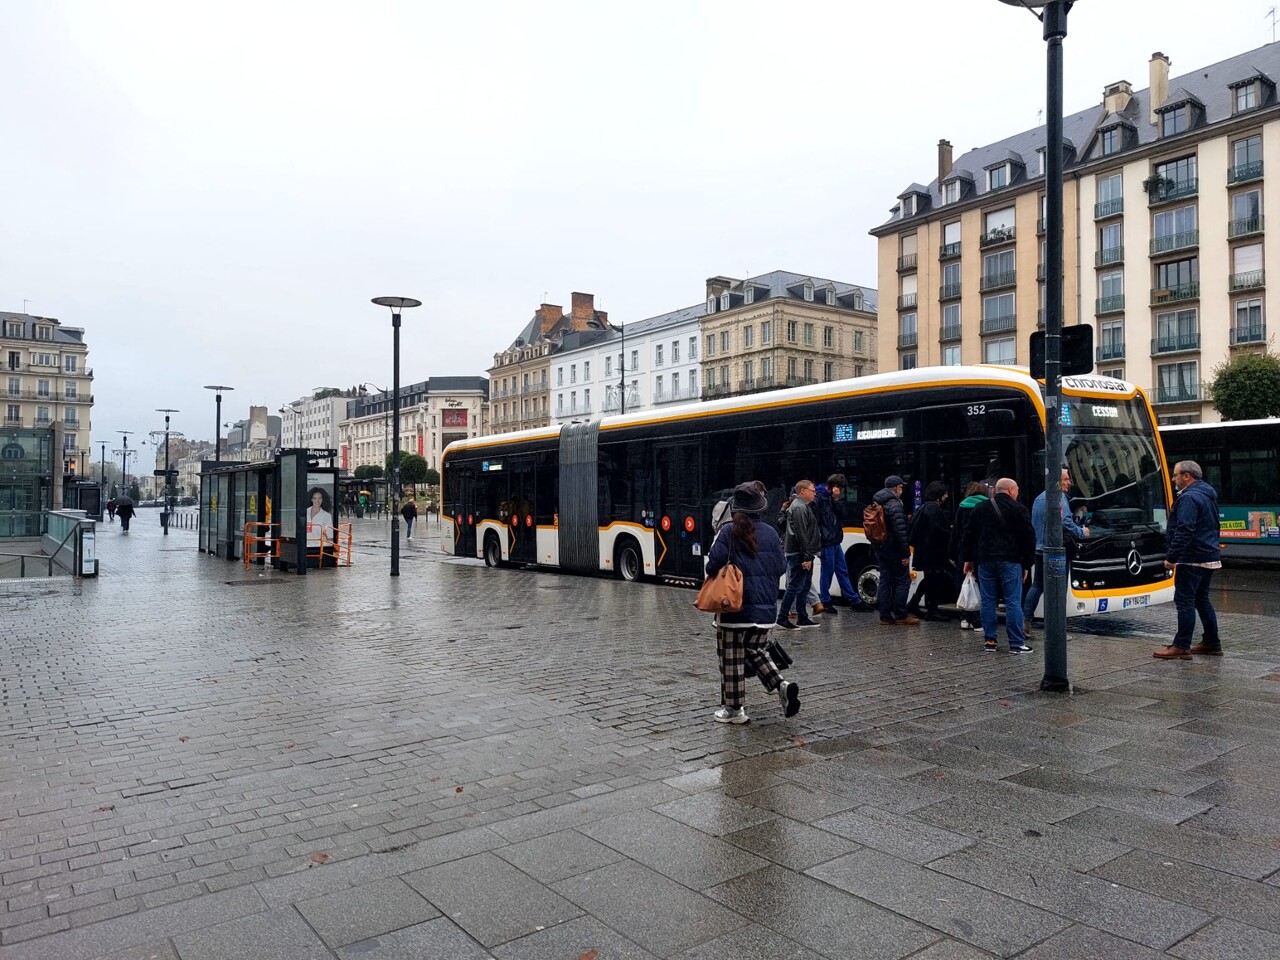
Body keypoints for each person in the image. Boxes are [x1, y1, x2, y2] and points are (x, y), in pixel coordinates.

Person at [703, 481, 797, 723]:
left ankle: (734, 711)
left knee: (732, 657)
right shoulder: (772, 533)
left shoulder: (728, 532)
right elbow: (780, 567)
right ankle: (782, 685)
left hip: (734, 609)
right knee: (755, 651)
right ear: (761, 508)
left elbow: (712, 564)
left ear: (736, 509)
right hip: (765, 610)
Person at [1155, 460, 1222, 660]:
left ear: (1187, 476)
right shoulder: (1207, 495)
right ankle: (1212, 642)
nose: (1173, 479)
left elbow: (1185, 529)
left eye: (1175, 475)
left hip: (1192, 557)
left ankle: (1181, 645)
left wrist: (1172, 557)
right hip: (1208, 554)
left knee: (1184, 601)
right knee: (1202, 600)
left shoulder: (1189, 498)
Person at [963, 477, 1037, 653]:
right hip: (1010, 561)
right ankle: (1016, 643)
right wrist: (1027, 563)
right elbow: (1029, 537)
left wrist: (969, 559)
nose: (1018, 492)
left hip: (985, 561)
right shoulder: (1019, 509)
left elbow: (969, 535)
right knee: (1013, 602)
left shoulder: (980, 508)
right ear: (1011, 490)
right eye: (1017, 489)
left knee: (988, 601)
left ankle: (990, 641)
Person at [1023, 468, 1090, 627]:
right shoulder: (1059, 497)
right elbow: (1065, 521)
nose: (1069, 483)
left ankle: (1025, 620)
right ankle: (1058, 628)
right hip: (1056, 552)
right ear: (1057, 480)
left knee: (1037, 585)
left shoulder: (1038, 498)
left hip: (1039, 549)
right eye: (1066, 479)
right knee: (1059, 589)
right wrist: (1081, 532)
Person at [815, 474, 866, 614]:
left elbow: (843, 514)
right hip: (827, 541)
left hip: (834, 540)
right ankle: (825, 600)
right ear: (835, 487)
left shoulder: (830, 498)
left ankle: (853, 599)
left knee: (841, 570)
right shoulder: (819, 498)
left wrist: (836, 500)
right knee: (828, 571)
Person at [873, 475, 918, 625]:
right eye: (901, 487)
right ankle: (900, 614)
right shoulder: (895, 504)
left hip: (881, 547)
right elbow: (900, 531)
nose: (902, 490)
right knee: (903, 580)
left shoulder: (877, 501)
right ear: (896, 488)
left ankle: (885, 615)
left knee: (885, 580)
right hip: (894, 549)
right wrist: (905, 553)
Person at [905, 481, 954, 621]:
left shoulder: (924, 507)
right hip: (933, 551)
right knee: (934, 579)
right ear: (938, 495)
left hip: (925, 551)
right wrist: (949, 531)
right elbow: (937, 530)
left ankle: (917, 605)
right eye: (944, 494)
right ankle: (930, 609)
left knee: (930, 579)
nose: (946, 497)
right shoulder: (934, 509)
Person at [777, 479, 821, 630]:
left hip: (802, 552)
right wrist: (807, 556)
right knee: (796, 585)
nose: (814, 493)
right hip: (799, 553)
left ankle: (803, 616)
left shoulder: (803, 506)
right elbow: (802, 533)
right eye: (812, 490)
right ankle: (782, 617)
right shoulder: (799, 508)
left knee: (804, 585)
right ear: (803, 491)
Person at [950, 480, 990, 631]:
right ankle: (978, 619)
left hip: (963, 551)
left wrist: (952, 553)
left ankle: (965, 617)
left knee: (965, 584)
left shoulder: (962, 506)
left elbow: (956, 532)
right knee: (981, 584)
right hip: (982, 551)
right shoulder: (987, 505)